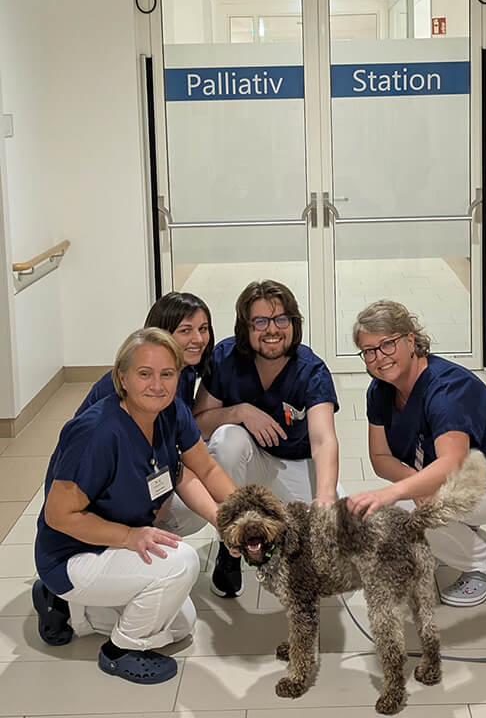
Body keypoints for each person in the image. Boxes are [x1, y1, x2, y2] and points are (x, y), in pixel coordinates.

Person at [33, 328, 238, 683]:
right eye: (145, 373)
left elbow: (205, 467)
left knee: (182, 624)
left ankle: (74, 613)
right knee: (182, 563)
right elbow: (57, 515)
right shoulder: (97, 433)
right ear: (122, 378)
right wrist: (128, 536)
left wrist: (238, 516)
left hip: (110, 548)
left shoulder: (170, 411)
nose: (157, 384)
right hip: (72, 555)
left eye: (167, 374)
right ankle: (121, 650)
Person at [346, 300, 486, 607]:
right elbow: (380, 458)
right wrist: (414, 484)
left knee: (412, 507)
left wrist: (399, 492)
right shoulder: (380, 391)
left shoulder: (446, 388)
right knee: (402, 506)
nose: (379, 358)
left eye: (387, 344)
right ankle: (464, 537)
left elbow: (451, 463)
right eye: (369, 350)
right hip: (447, 476)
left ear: (409, 340)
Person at [193, 279, 341, 598]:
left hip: (298, 464)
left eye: (280, 319)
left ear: (294, 323)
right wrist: (239, 412)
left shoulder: (311, 369)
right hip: (251, 465)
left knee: (333, 541)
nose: (271, 329)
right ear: (245, 327)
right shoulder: (226, 358)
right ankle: (229, 547)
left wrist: (326, 496)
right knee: (226, 439)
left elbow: (323, 440)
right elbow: (199, 423)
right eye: (260, 321)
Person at [75, 291, 214, 414]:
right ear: (161, 333)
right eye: (185, 330)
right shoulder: (127, 382)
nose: (199, 339)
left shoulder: (187, 370)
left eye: (203, 329)